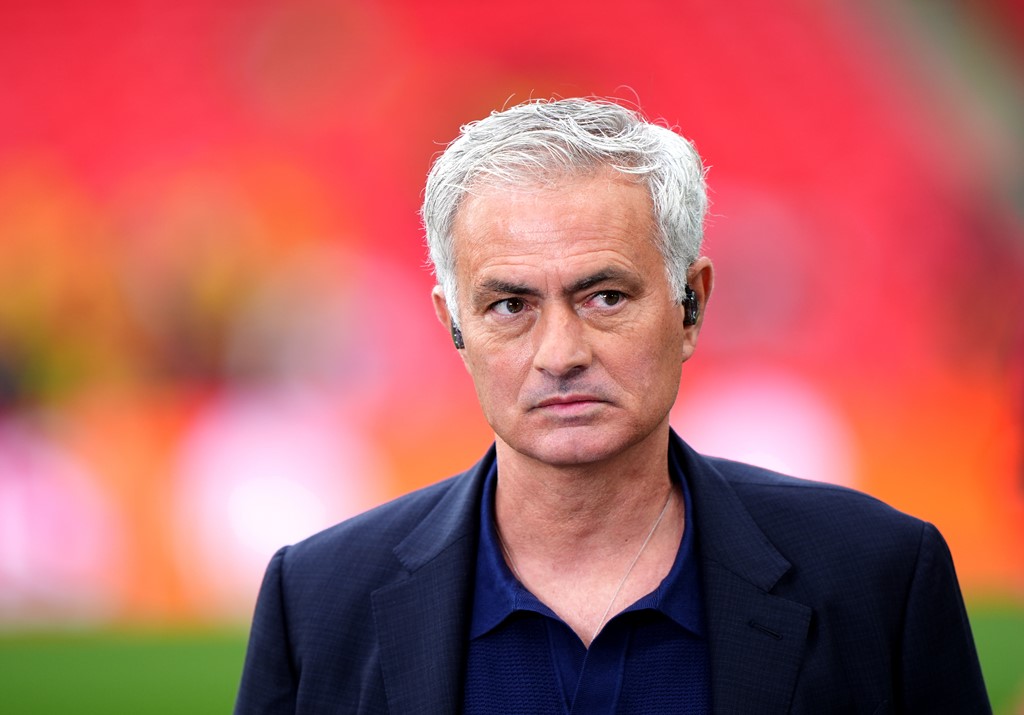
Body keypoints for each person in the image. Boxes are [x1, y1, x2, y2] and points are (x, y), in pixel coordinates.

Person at [234, 98, 990, 714]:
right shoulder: (316, 602)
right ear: (454, 326)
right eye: (510, 306)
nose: (560, 353)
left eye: (604, 296)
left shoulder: (880, 578)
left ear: (691, 305)